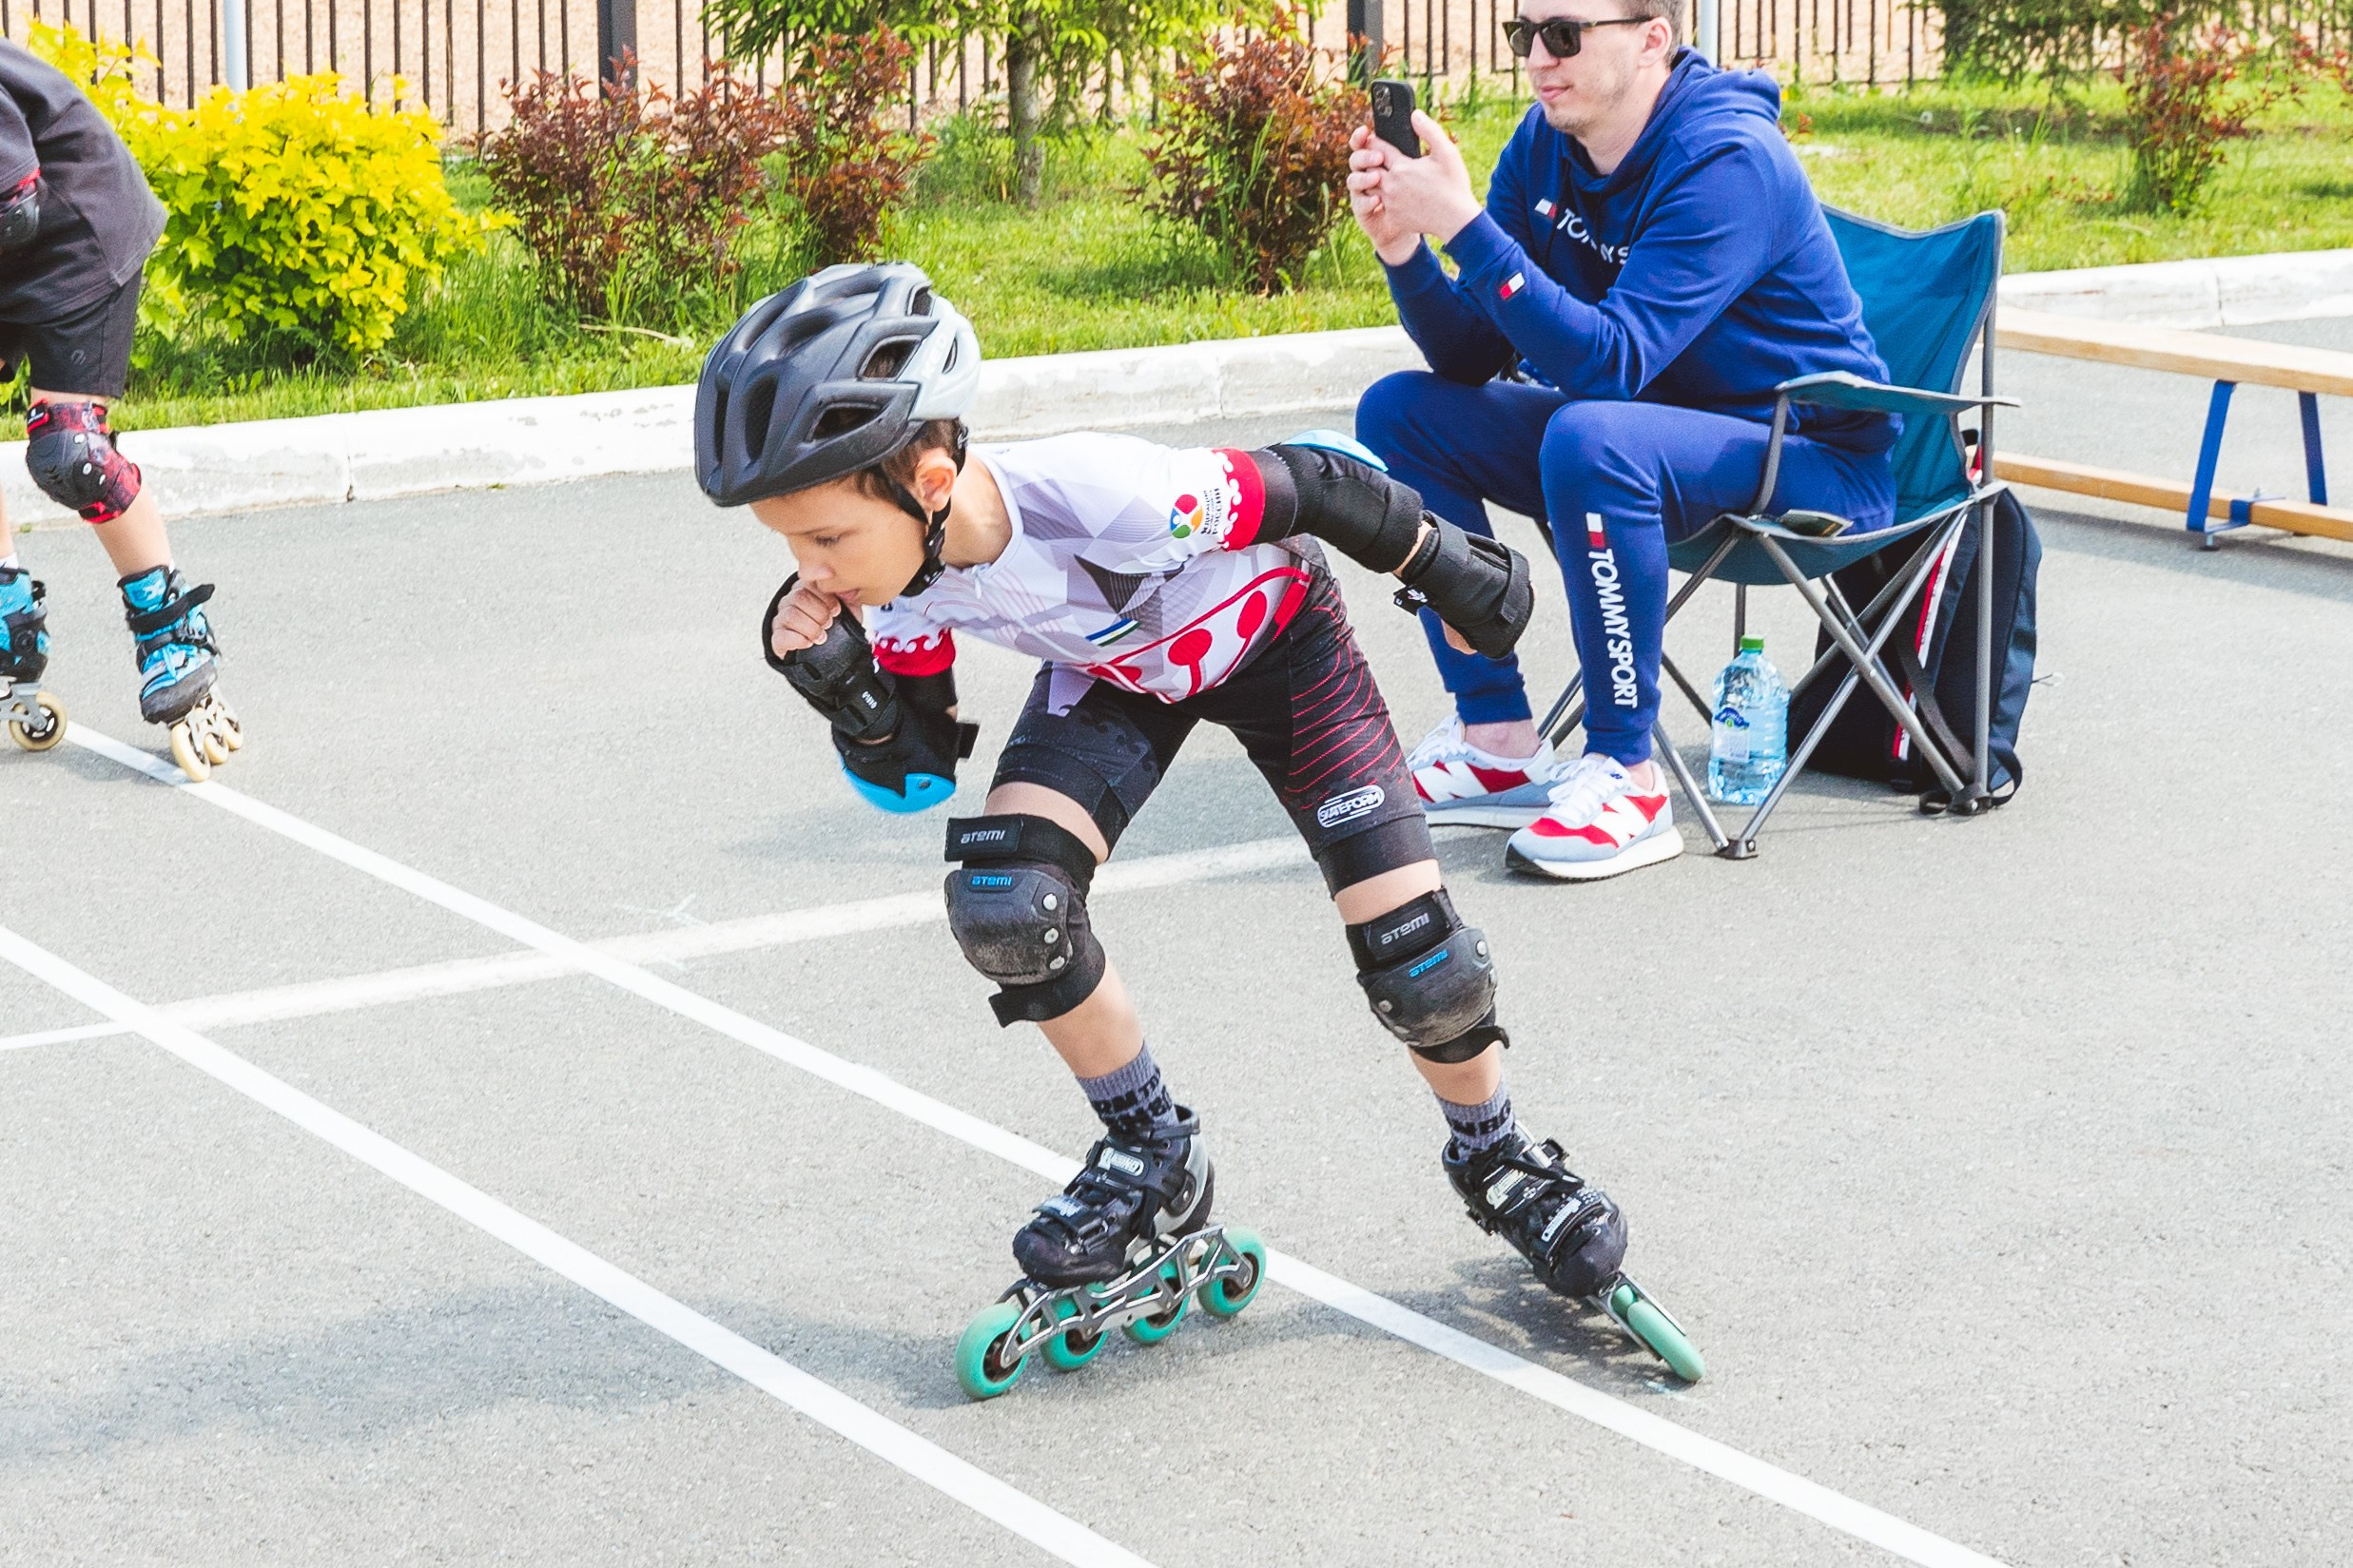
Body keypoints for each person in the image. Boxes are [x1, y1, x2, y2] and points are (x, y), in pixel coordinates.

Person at [696, 261, 1644, 1339]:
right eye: (788, 543)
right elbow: (913, 777)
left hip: (1278, 644)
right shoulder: (901, 586)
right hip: (1119, 679)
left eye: (823, 537)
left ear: (924, 479)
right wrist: (847, 688)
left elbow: (1316, 482)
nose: (809, 566)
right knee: (1007, 902)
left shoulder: (1106, 495)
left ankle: (1497, 1155)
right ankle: (1150, 1148)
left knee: (1420, 960)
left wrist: (1444, 563)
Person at [1346, 0, 1896, 880]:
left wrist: (1465, 228)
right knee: (1401, 414)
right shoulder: (1543, 145)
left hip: (1812, 456)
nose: (1537, 57)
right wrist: (1407, 251)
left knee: (1592, 437)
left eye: (1563, 34)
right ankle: (1495, 739)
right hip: (1649, 433)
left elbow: (1612, 366)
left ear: (1651, 40)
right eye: (1523, 34)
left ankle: (1628, 776)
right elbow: (1471, 353)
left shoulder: (1727, 158)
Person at [0, 39, 238, 781]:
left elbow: (16, 207)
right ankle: (7, 607)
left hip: (73, 234)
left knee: (69, 452)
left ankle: (172, 628)